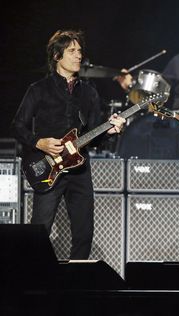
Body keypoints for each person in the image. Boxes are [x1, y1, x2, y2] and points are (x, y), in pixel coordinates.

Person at [11, 30, 125, 259]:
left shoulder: (90, 93)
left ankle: (77, 282)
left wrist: (110, 130)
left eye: (80, 51)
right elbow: (17, 126)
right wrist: (39, 142)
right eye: (71, 51)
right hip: (47, 166)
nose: (78, 55)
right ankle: (37, 281)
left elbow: (95, 135)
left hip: (79, 170)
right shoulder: (38, 89)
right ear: (56, 55)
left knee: (84, 232)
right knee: (40, 229)